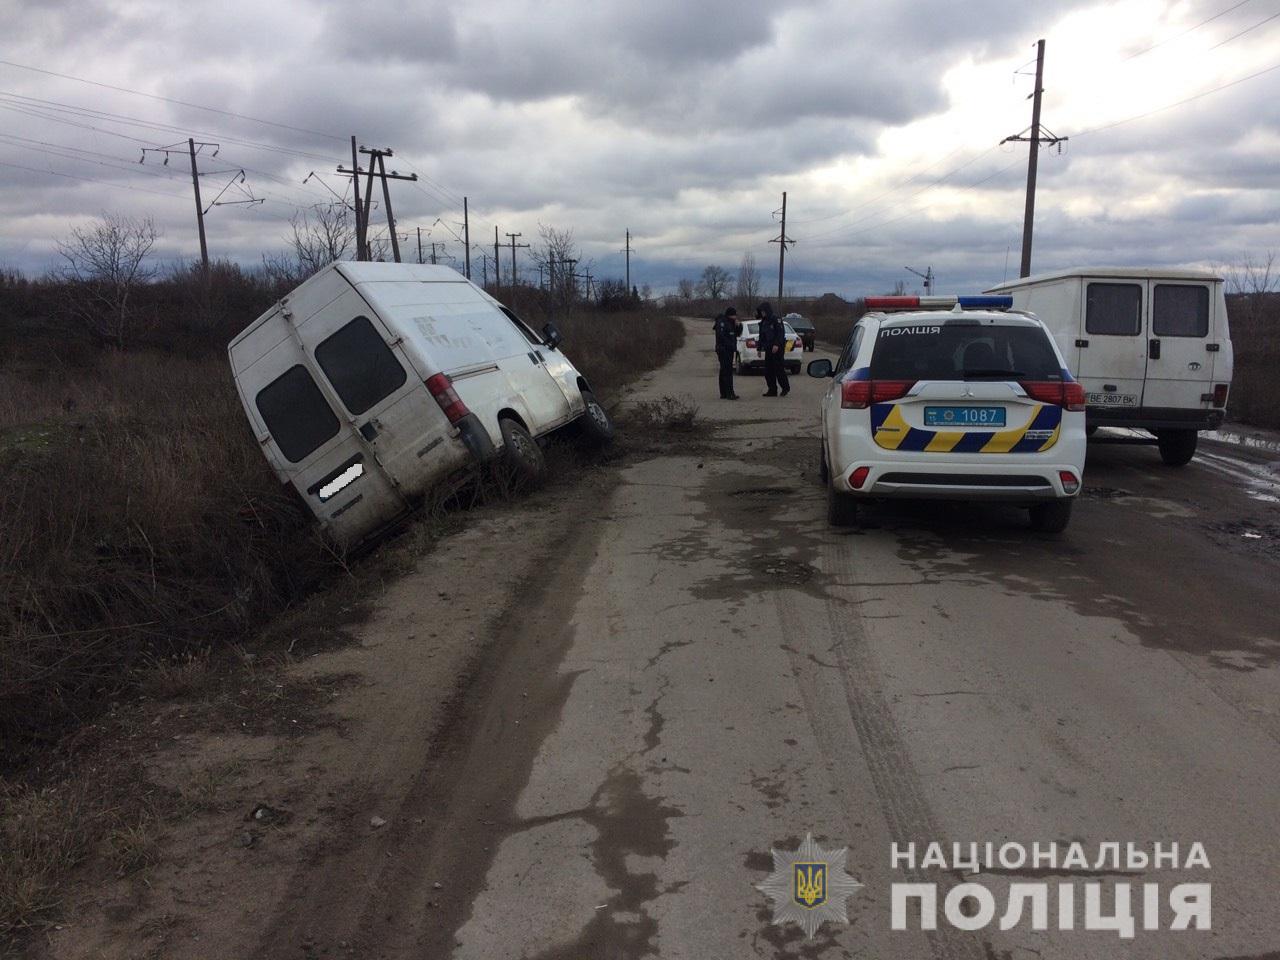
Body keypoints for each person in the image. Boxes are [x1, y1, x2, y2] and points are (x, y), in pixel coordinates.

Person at [756, 301, 789, 397]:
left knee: (779, 369)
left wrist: (776, 344)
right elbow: (761, 336)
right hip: (768, 348)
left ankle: (785, 388)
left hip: (777, 348)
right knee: (768, 371)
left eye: (763, 311)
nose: (762, 313)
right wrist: (759, 348)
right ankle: (772, 389)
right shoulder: (763, 322)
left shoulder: (776, 319)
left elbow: (780, 333)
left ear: (767, 310)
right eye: (761, 312)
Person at [712, 307, 742, 399]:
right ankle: (729, 393)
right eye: (734, 315)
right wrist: (730, 345)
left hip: (729, 350)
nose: (735, 317)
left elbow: (737, 334)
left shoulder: (731, 323)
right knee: (727, 371)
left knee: (724, 371)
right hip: (723, 349)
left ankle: (724, 393)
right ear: (730, 315)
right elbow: (721, 336)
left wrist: (739, 326)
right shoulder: (722, 323)